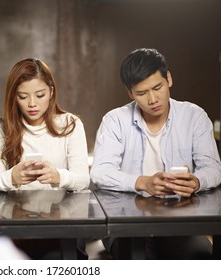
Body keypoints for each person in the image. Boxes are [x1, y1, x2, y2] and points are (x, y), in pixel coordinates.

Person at [90, 48, 221, 259]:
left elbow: (213, 168)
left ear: (168, 79)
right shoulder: (115, 120)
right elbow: (100, 172)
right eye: (141, 93)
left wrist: (196, 181)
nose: (152, 99)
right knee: (139, 262)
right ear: (130, 93)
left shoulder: (194, 116)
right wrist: (143, 182)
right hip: (126, 222)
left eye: (157, 87)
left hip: (179, 220)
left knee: (201, 258)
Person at [0, 58, 90, 192]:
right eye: (23, 97)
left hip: (58, 211)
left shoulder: (70, 124)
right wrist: (12, 177)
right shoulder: (2, 130)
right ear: (14, 97)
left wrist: (58, 177)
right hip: (16, 210)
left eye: (40, 95)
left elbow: (83, 180)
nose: (32, 103)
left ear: (51, 92)